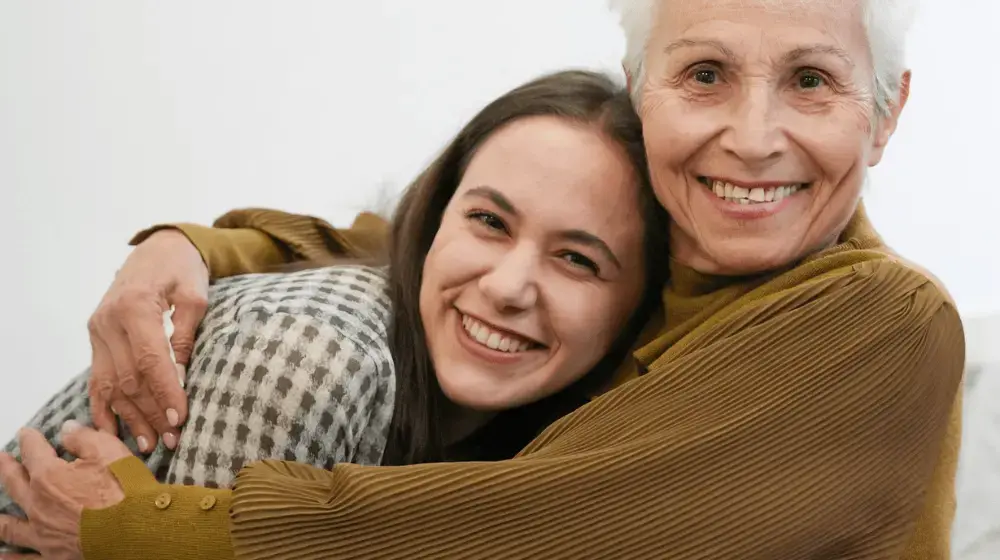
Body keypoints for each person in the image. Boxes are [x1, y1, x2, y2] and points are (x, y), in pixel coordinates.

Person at [0, 0, 965, 558]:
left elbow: (545, 531)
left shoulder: (880, 316)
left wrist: (153, 534)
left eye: (811, 81)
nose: (752, 139)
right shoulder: (678, 255)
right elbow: (410, 238)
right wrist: (189, 248)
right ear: (642, 93)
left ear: (885, 115)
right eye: (704, 74)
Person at [0, 68, 669, 547]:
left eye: (578, 259)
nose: (506, 287)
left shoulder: (556, 446)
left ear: (641, 305)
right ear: (435, 220)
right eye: (490, 220)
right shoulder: (314, 354)